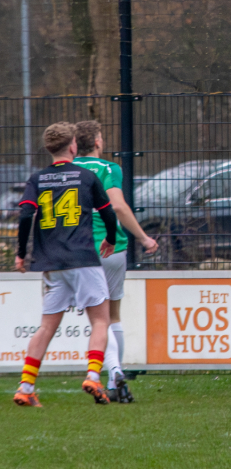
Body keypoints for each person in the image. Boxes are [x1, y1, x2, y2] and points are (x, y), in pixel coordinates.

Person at [13, 122, 118, 407]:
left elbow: (25, 216)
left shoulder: (37, 179)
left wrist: (21, 253)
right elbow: (108, 213)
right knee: (100, 319)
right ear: (73, 146)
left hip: (51, 263)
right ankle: (93, 377)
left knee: (46, 327)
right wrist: (110, 239)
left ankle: (25, 386)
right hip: (83, 258)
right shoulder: (86, 176)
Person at [73, 120, 159, 402]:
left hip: (80, 250)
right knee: (113, 316)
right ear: (97, 142)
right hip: (113, 249)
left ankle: (114, 371)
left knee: (97, 319)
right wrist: (144, 238)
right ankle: (114, 379)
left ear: (74, 145)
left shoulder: (68, 171)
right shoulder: (109, 169)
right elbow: (118, 206)